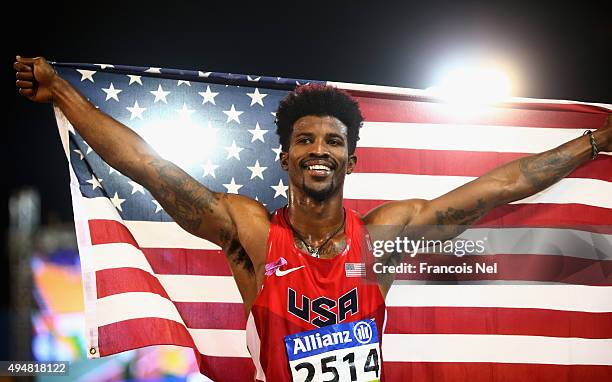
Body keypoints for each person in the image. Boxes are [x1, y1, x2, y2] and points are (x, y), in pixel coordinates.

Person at [14, 56, 611, 381]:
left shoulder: (382, 237)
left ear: (351, 157)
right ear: (286, 155)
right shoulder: (250, 231)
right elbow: (149, 167)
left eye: (331, 140)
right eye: (305, 140)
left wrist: (594, 142)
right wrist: (64, 95)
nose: (318, 149)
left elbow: (499, 186)